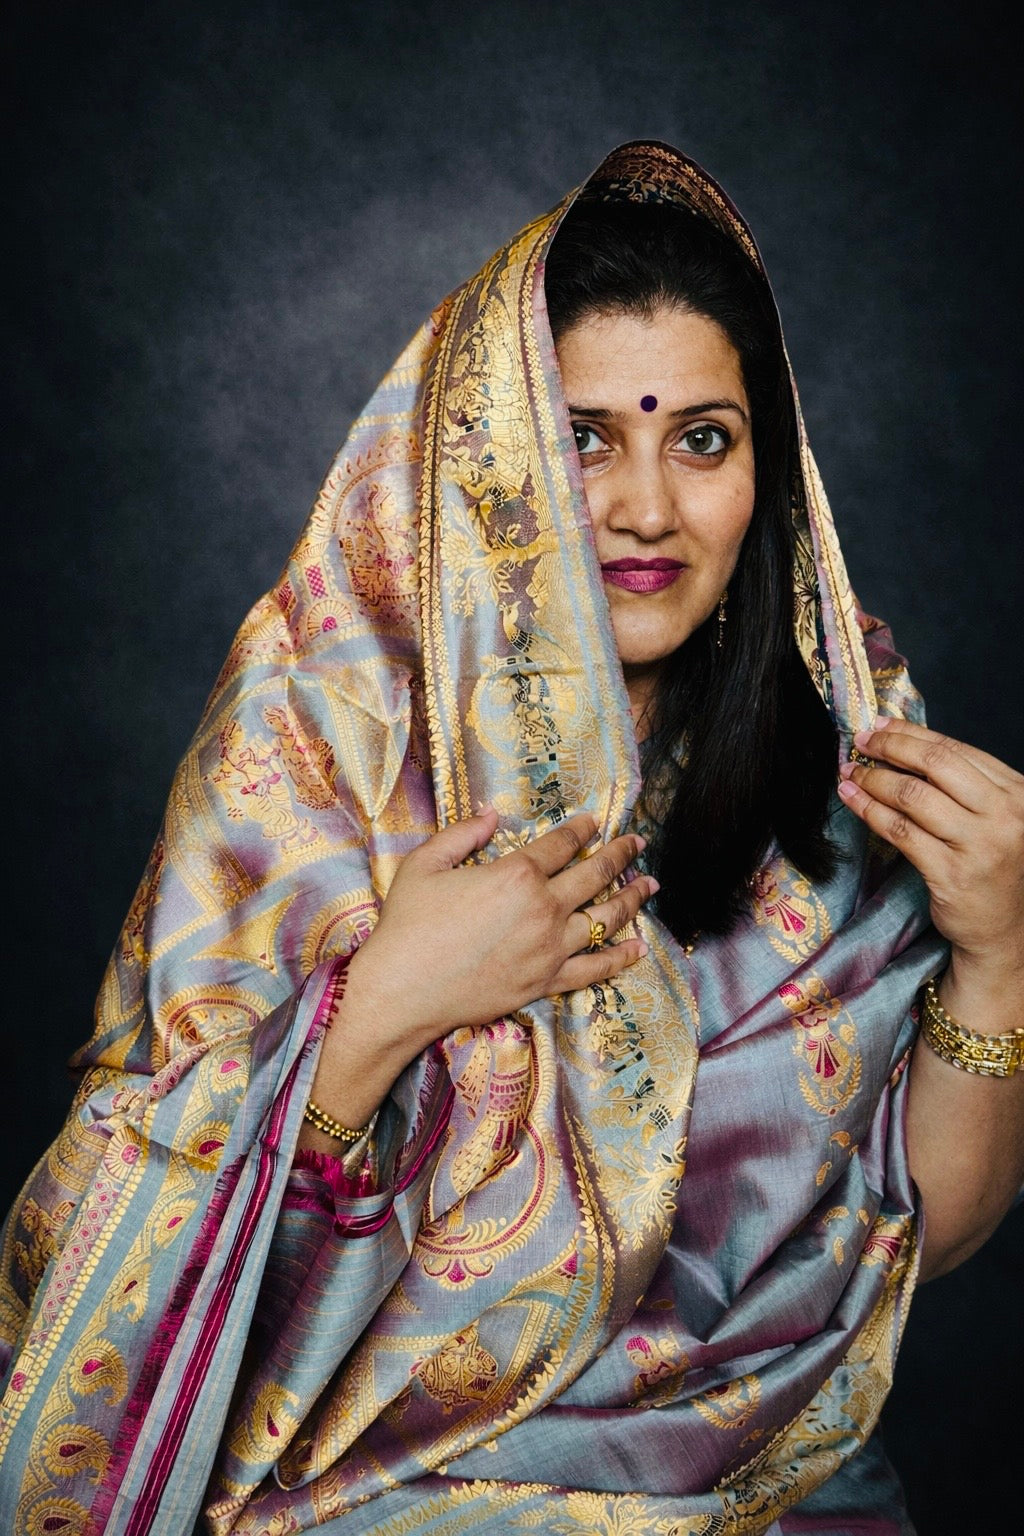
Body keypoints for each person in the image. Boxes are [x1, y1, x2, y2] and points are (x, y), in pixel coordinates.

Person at [0, 140, 1021, 1536]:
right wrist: (379, 1010)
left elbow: (914, 1242)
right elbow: (103, 1243)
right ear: (482, 455)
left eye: (702, 440)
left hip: (775, 1497)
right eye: (581, 437)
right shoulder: (321, 751)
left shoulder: (850, 758)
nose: (646, 508)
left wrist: (1001, 952)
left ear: (767, 475)